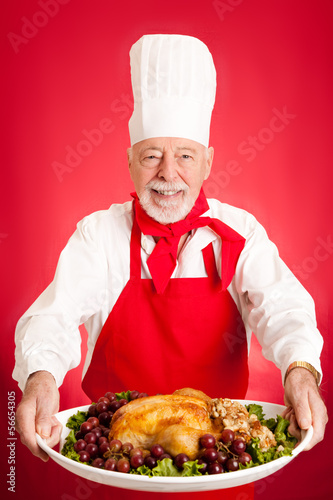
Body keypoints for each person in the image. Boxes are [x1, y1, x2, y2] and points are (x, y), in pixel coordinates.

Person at [14, 35, 327, 499]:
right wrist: (39, 377)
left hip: (222, 466)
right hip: (114, 473)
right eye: (151, 155)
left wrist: (301, 371)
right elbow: (52, 317)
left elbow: (284, 310)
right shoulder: (99, 234)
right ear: (129, 161)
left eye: (184, 155)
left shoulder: (238, 232)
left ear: (207, 162)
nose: (168, 173)